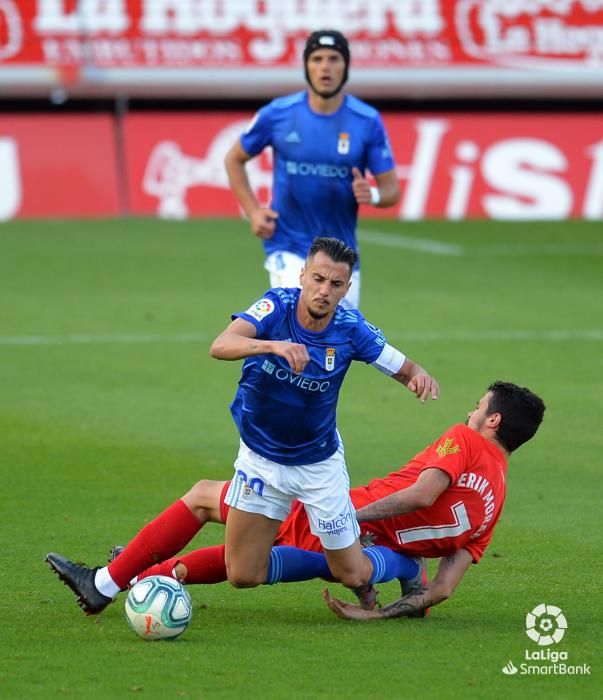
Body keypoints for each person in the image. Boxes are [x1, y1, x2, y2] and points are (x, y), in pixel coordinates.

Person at [46, 236, 438, 614]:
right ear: (302, 275)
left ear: (346, 287)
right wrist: (272, 345)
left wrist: (418, 377)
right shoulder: (275, 309)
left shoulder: (351, 330)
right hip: (262, 459)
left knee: (350, 571)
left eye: (335, 284)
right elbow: (221, 345)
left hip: (318, 466)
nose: (324, 290)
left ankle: (406, 566)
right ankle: (104, 586)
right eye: (317, 279)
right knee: (244, 573)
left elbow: (403, 367)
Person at [46, 381, 544, 621]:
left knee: (204, 500)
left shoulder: (466, 439)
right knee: (249, 549)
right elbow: (442, 590)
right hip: (373, 550)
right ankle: (134, 572)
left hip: (344, 516)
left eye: (479, 407)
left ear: (493, 422)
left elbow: (423, 491)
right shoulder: (495, 500)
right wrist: (377, 613)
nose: (470, 411)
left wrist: (346, 515)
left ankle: (113, 582)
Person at [224, 29, 401, 309]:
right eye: (317, 59)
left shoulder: (366, 121)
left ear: (346, 66)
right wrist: (254, 211)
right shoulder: (278, 114)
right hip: (290, 246)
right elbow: (234, 158)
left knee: (335, 348)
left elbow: (391, 189)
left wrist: (374, 196)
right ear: (306, 65)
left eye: (334, 59)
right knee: (302, 324)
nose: (325, 67)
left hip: (341, 254)